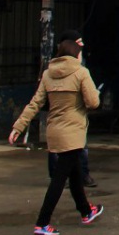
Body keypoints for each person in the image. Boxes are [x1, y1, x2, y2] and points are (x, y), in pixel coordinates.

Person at [9, 36, 103, 235]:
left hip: (54, 131)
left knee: (75, 172)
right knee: (59, 179)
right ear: (75, 55)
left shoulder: (47, 74)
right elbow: (93, 102)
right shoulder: (81, 72)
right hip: (73, 131)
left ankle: (86, 211)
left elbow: (35, 103)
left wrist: (19, 126)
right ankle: (42, 222)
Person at [46, 30, 96, 188]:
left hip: (74, 118)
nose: (81, 47)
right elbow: (38, 99)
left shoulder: (80, 67)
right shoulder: (52, 70)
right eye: (78, 44)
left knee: (78, 150)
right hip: (63, 117)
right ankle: (61, 177)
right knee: (60, 151)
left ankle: (81, 176)